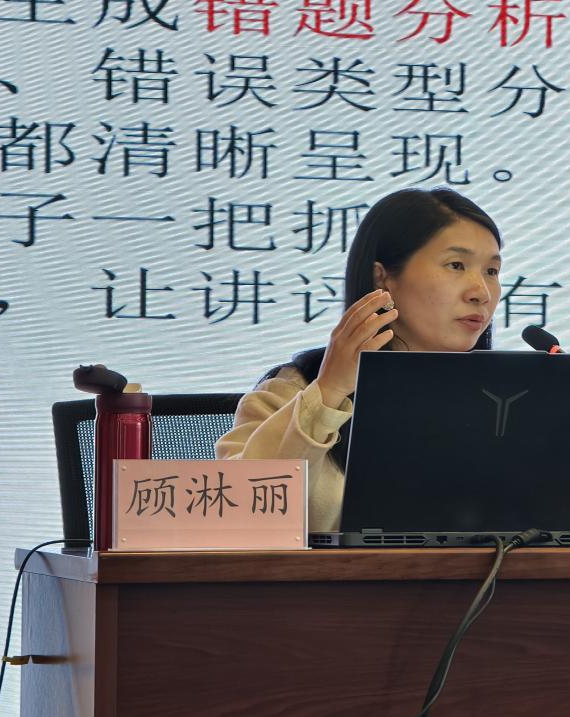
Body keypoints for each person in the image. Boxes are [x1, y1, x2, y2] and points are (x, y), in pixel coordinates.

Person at [215, 188, 502, 532]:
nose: (481, 292)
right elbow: (240, 512)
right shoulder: (291, 392)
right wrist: (329, 392)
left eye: (492, 271)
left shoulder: (504, 400)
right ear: (383, 277)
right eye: (456, 265)